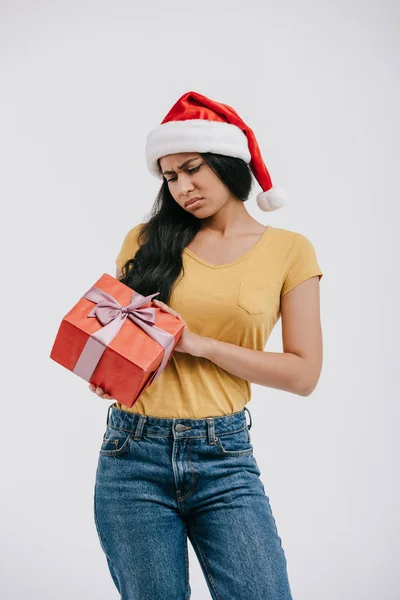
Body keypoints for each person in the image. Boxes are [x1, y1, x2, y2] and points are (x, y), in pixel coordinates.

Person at [90, 91, 323, 599]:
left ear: (227, 161)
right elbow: (120, 334)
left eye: (193, 168)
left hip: (225, 456)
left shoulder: (290, 250)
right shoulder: (145, 239)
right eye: (170, 177)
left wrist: (198, 344)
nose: (183, 187)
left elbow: (303, 375)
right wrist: (107, 373)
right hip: (132, 454)